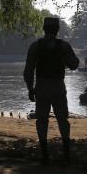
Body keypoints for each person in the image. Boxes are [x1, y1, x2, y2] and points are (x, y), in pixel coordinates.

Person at [24, 17, 79, 164]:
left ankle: (45, 154)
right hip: (58, 86)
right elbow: (74, 65)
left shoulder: (35, 46)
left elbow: (28, 71)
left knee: (42, 120)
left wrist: (30, 89)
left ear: (43, 28)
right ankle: (66, 153)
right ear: (57, 30)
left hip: (41, 86)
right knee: (62, 119)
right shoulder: (63, 46)